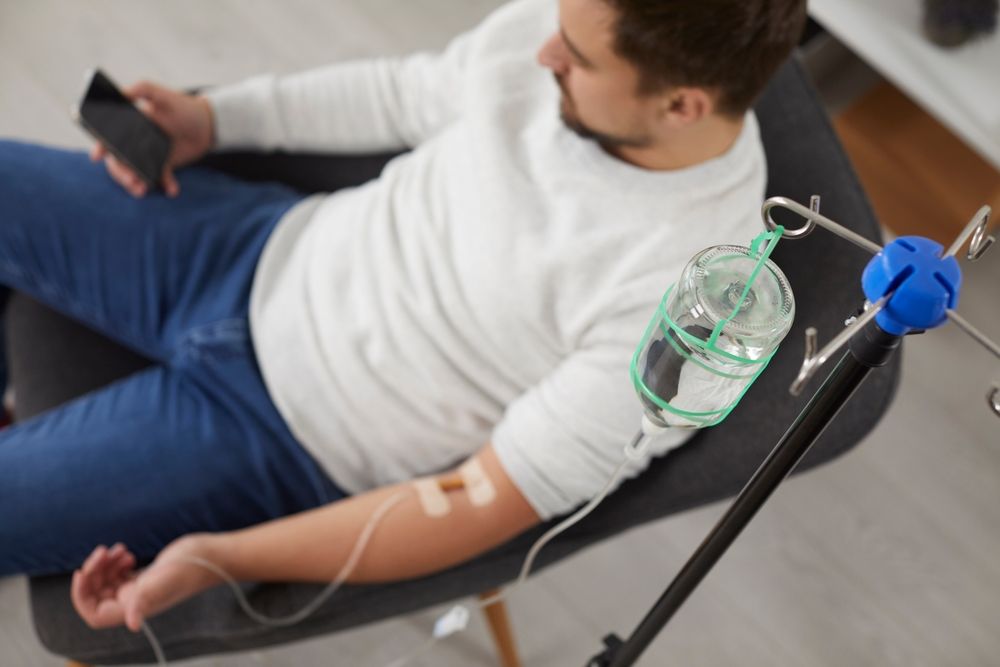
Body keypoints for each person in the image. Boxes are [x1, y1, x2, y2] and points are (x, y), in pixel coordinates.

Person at [0, 0, 806, 632]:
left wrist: (221, 557)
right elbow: (404, 93)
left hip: (280, 440)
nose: (542, 54)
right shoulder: (575, 28)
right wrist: (218, 119)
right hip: (252, 248)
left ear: (682, 105)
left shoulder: (693, 307)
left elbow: (482, 498)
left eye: (576, 58)